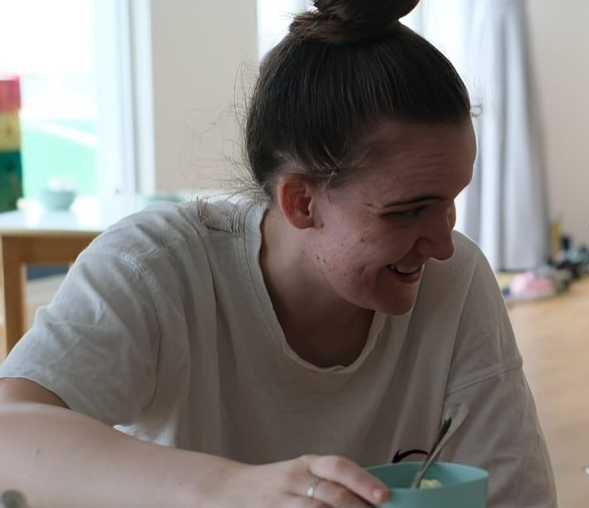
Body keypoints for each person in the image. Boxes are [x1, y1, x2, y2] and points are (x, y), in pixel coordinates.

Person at [0, 1, 557, 507]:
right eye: (407, 211)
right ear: (301, 201)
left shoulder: (455, 280)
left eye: (451, 202)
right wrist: (233, 488)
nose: (441, 244)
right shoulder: (154, 267)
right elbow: (11, 435)